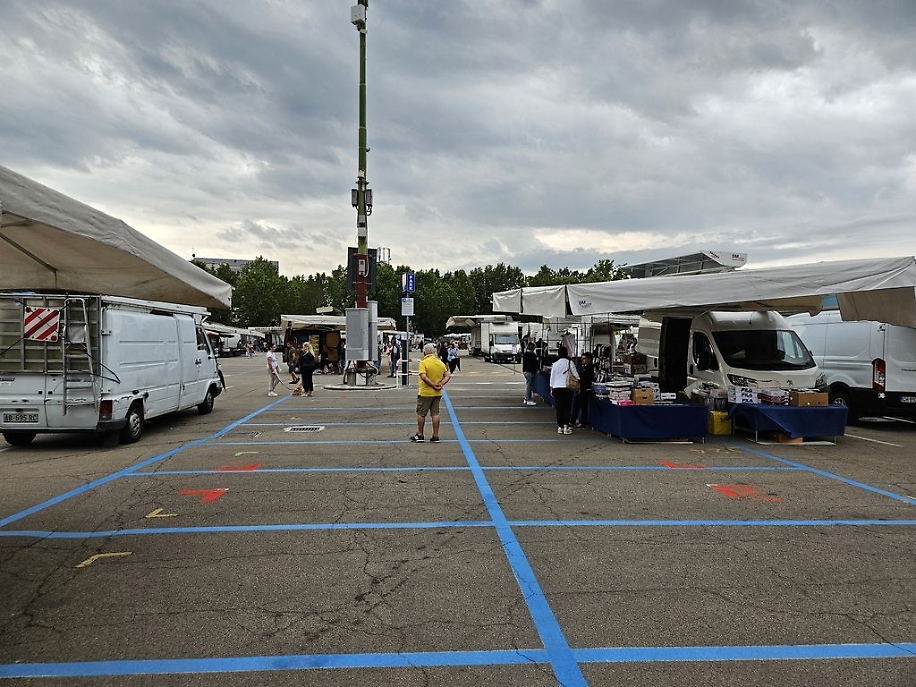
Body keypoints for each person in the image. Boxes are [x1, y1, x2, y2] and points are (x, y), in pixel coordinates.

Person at [411, 342, 451, 443]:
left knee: (421, 414)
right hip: (437, 393)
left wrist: (432, 385)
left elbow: (423, 376)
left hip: (425, 392)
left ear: (425, 352)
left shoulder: (423, 363)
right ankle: (435, 435)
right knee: (435, 413)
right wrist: (440, 384)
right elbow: (447, 375)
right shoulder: (440, 362)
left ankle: (420, 434)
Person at [549, 345, 579, 435]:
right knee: (567, 407)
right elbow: (576, 375)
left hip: (556, 387)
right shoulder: (570, 363)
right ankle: (566, 427)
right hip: (567, 387)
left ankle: (559, 427)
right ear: (566, 353)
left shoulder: (555, 364)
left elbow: (552, 377)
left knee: (559, 408)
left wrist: (551, 388)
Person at [571, 352, 594, 428]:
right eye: (582, 358)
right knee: (575, 405)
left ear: (589, 359)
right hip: (578, 388)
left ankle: (582, 422)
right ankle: (572, 421)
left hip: (584, 389)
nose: (582, 360)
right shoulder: (580, 366)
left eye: (584, 358)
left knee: (583, 406)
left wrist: (580, 379)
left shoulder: (590, 368)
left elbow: (586, 379)